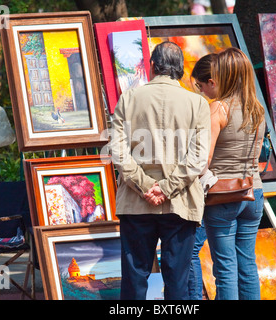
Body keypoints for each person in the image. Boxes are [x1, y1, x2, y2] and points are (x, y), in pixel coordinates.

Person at [110, 41, 211, 300]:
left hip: (136, 202)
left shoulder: (129, 99)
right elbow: (197, 159)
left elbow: (118, 152)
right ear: (180, 69)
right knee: (177, 280)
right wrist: (165, 189)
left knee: (134, 277)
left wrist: (146, 186)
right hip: (180, 202)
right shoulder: (197, 103)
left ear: (152, 67)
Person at [203, 47, 265, 300]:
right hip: (254, 192)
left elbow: (203, 159)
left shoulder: (218, 108)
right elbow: (258, 153)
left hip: (223, 195)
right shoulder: (257, 109)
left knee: (226, 268)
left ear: (224, 74)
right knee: (247, 264)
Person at [188, 53, 218, 300]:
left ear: (212, 82)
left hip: (213, 189)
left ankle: (195, 300)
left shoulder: (215, 109)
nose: (200, 91)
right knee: (234, 258)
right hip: (246, 189)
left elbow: (203, 160)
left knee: (189, 250)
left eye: (200, 85)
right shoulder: (248, 103)